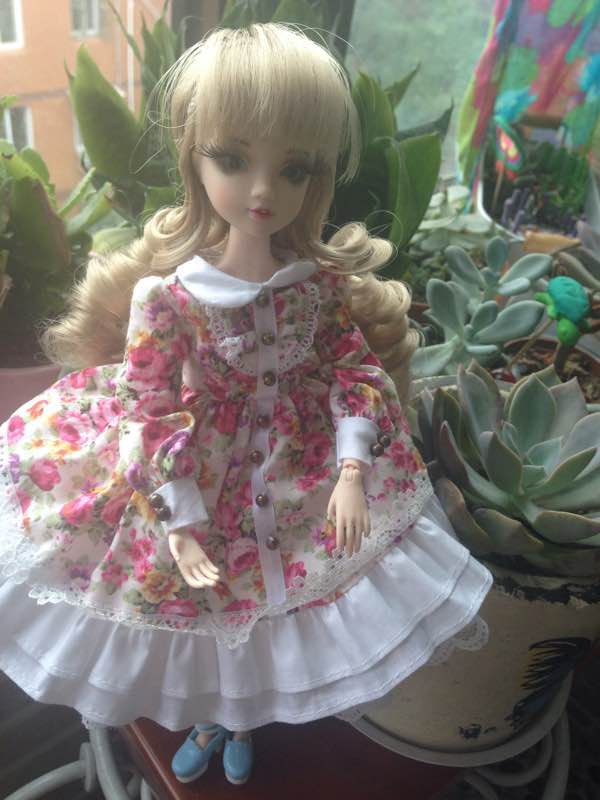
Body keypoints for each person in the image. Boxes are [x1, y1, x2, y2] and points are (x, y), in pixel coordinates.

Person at [0, 23, 492, 786]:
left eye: (293, 169)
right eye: (233, 160)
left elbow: (353, 373)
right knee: (206, 609)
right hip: (202, 472)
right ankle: (211, 716)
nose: (263, 192)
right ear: (194, 159)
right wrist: (179, 520)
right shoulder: (168, 299)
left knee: (282, 604)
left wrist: (353, 470)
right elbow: (148, 409)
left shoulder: (318, 289)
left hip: (301, 471)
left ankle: (239, 721)